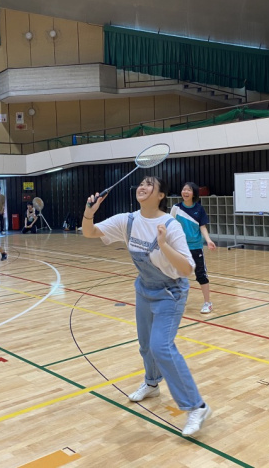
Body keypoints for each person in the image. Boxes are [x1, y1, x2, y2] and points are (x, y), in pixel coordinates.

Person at [82, 176, 212, 437]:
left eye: (150, 185)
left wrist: (162, 245)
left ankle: (196, 406)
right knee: (145, 345)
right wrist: (89, 212)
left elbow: (187, 269)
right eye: (141, 184)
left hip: (170, 292)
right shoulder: (128, 220)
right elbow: (90, 232)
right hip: (144, 289)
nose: (143, 187)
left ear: (161, 195)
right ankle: (152, 384)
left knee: (161, 347)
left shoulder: (171, 226)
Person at [170, 182, 217, 313]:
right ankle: (178, 300)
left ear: (194, 194)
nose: (185, 192)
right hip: (179, 247)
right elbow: (170, 225)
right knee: (177, 274)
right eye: (184, 189)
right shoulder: (176, 208)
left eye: (189, 190)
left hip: (195, 247)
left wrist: (208, 240)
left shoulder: (199, 209)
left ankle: (207, 303)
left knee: (201, 275)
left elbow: (202, 226)